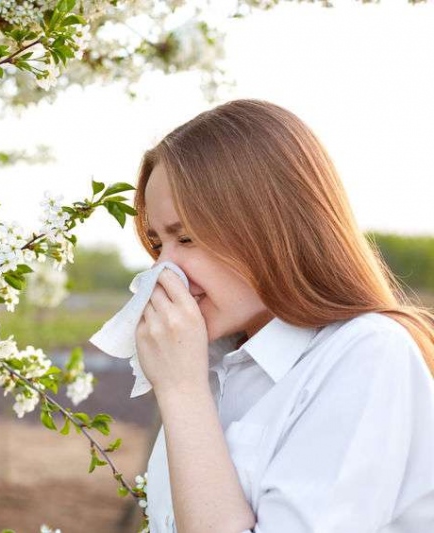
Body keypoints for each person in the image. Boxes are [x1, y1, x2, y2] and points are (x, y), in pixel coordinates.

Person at [132, 99, 434, 533]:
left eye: (187, 237)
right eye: (158, 244)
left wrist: (181, 392)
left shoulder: (366, 354)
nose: (165, 270)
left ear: (270, 225)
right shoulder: (215, 365)